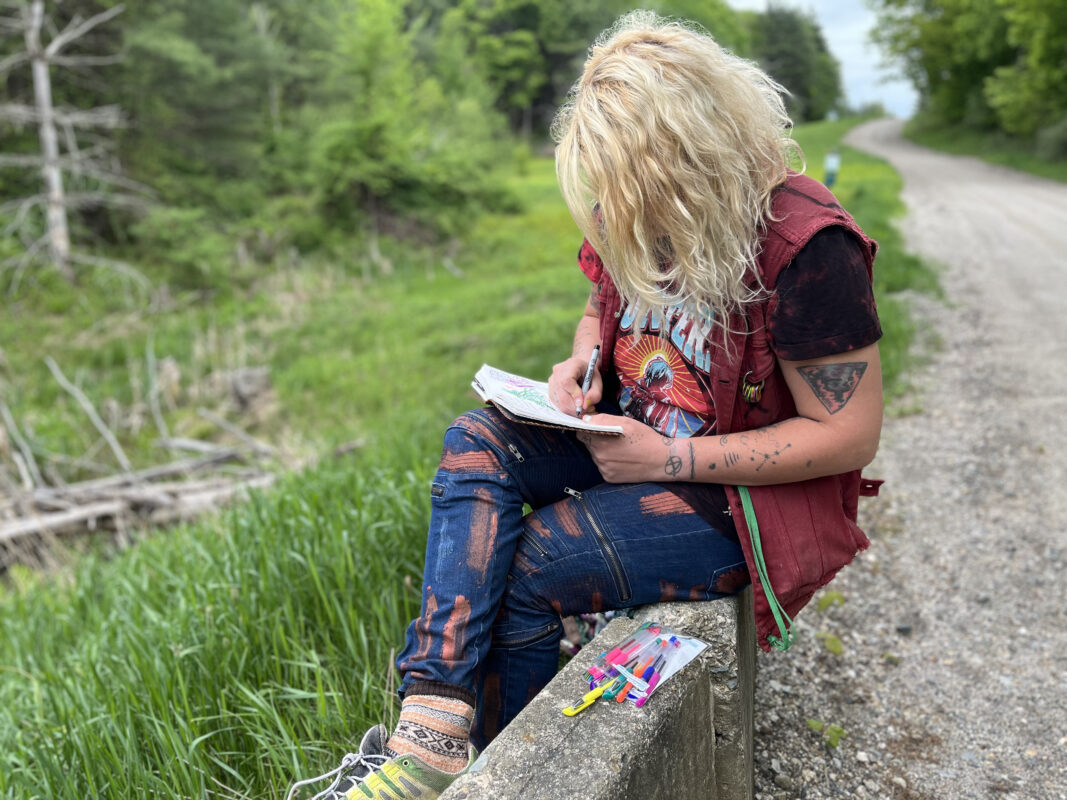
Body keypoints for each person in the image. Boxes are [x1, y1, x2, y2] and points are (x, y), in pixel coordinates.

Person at [287, 11, 883, 800]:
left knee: (534, 565)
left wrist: (668, 457)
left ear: (694, 169)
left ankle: (508, 773)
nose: (620, 229)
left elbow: (847, 434)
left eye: (638, 208)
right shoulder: (623, 211)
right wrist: (583, 359)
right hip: (627, 438)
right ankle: (432, 731)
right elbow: (599, 306)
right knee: (474, 441)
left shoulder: (806, 248)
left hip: (737, 497)